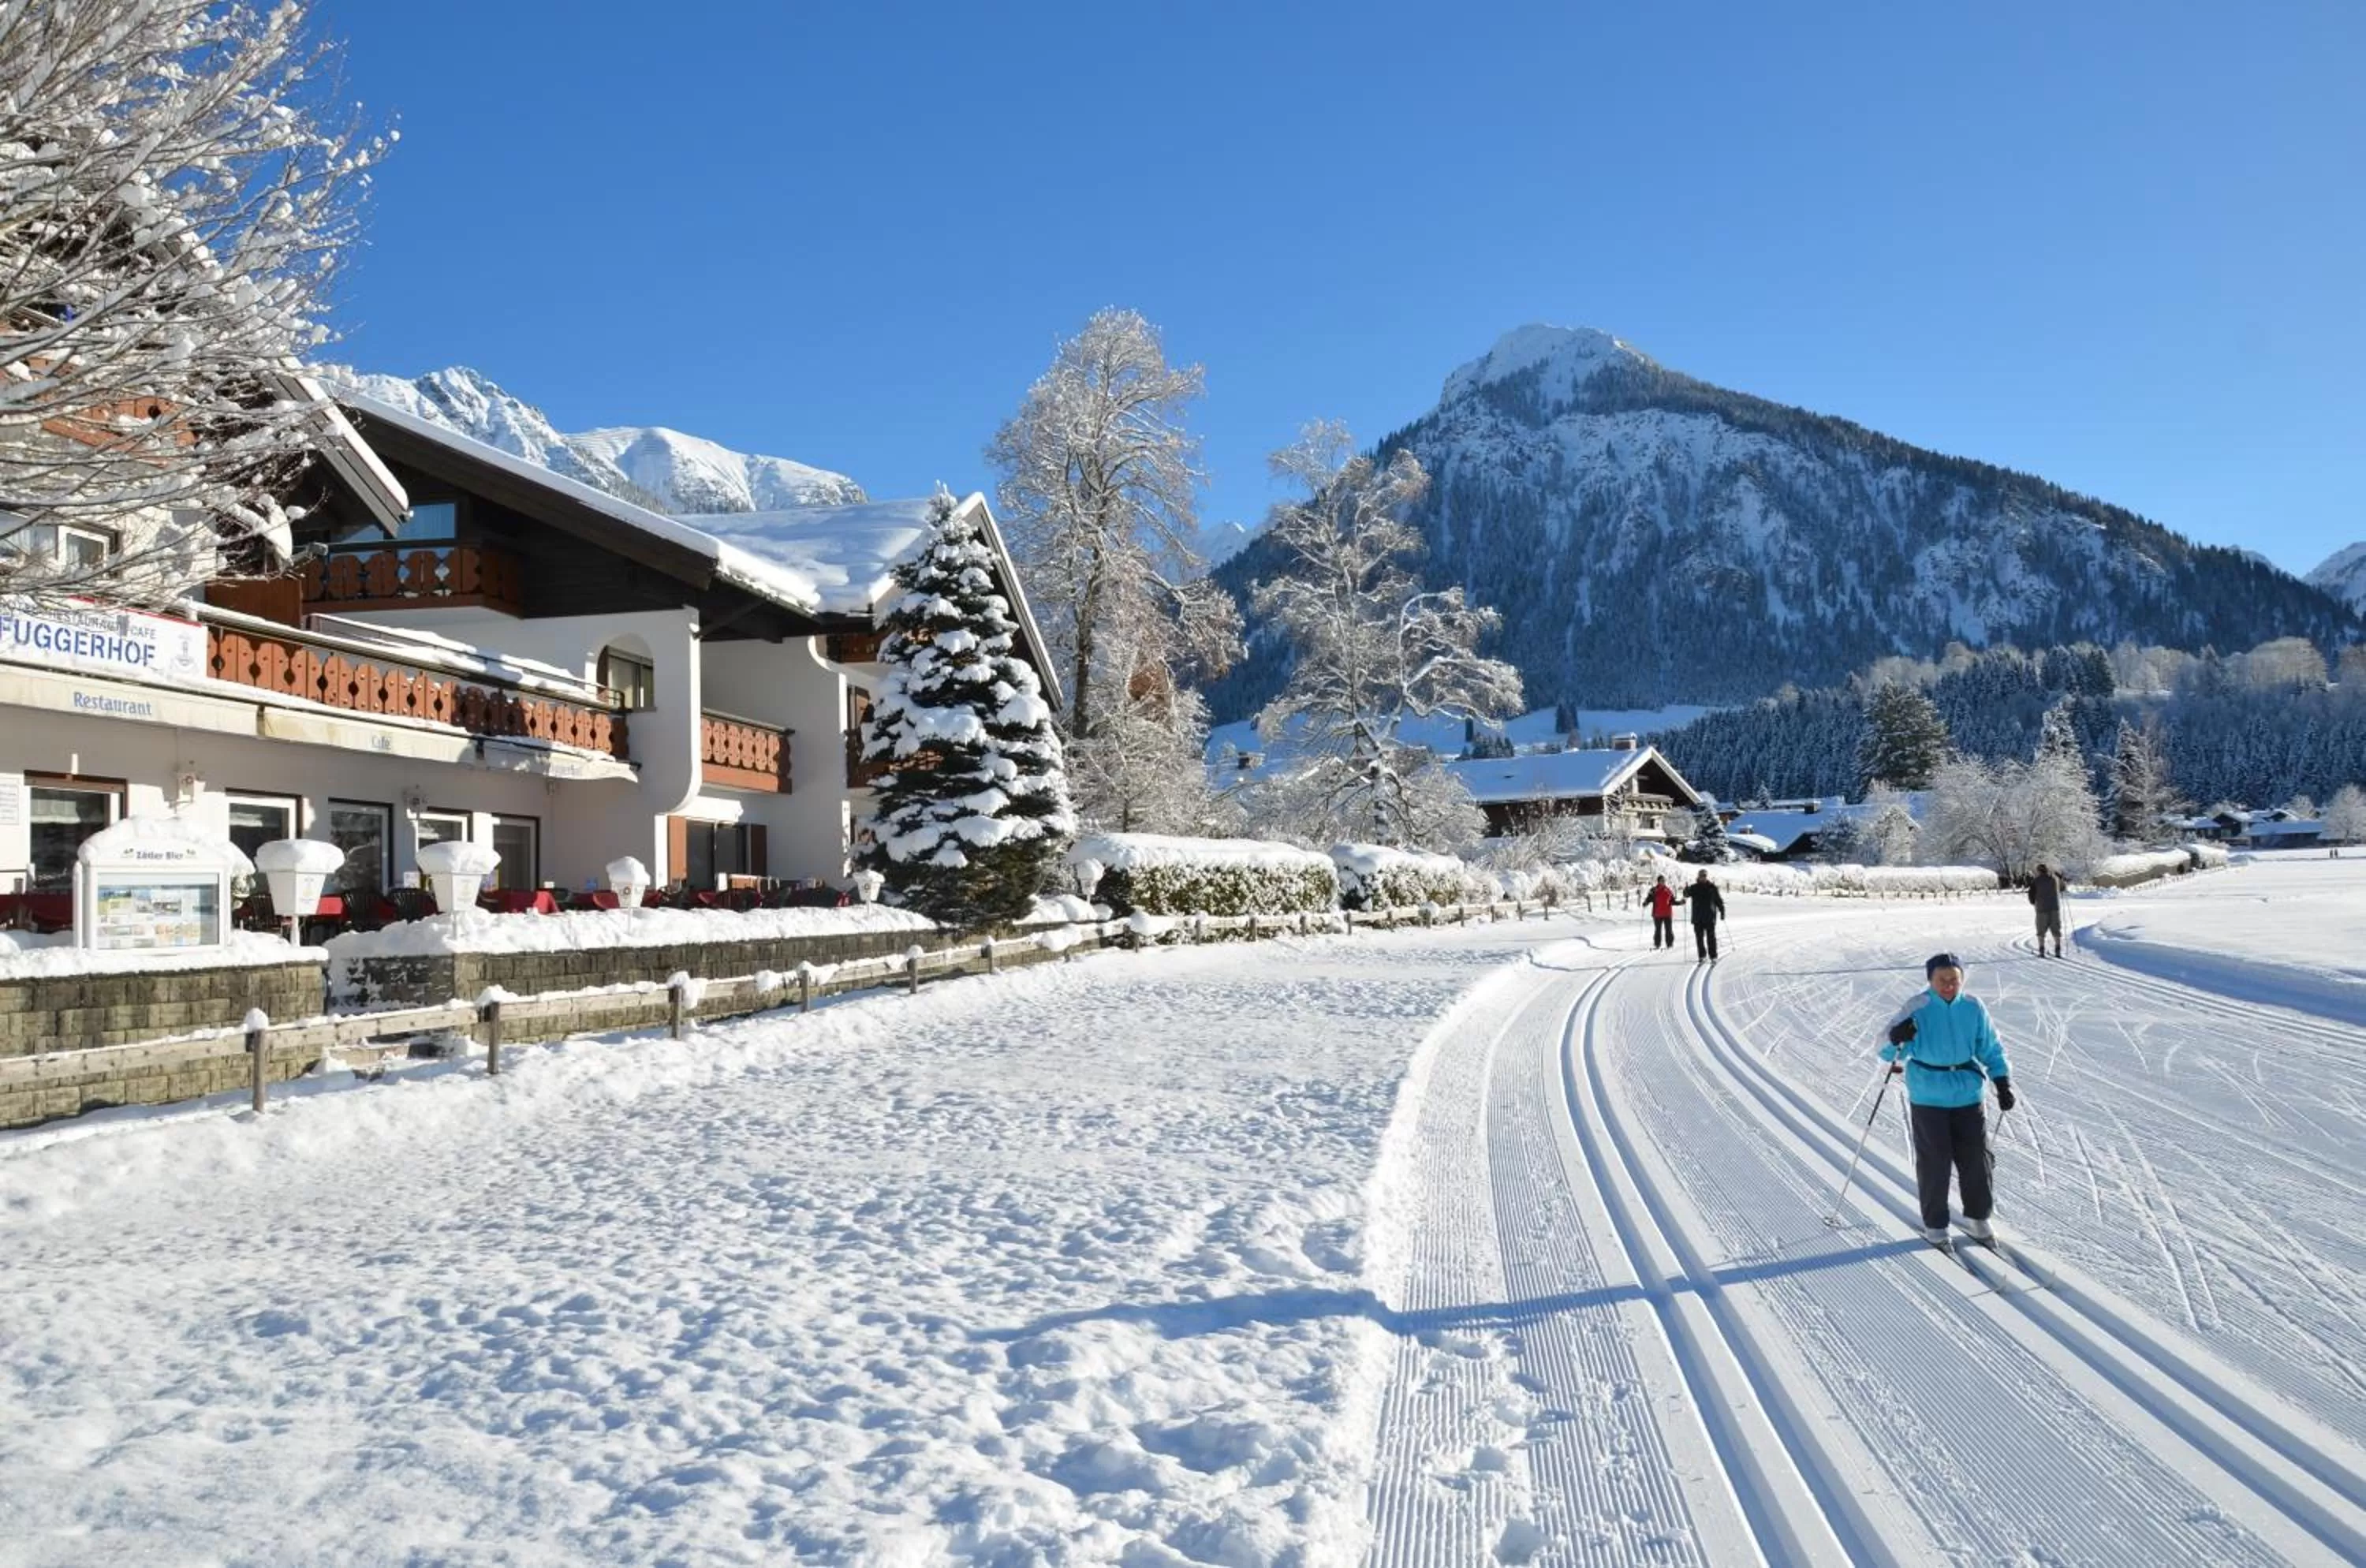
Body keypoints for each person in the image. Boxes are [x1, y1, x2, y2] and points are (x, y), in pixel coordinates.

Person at [1881, 952, 2015, 1245]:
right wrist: (1896, 1038)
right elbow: (1886, 1050)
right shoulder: (1918, 1006)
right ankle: (1936, 1225)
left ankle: (1978, 1218)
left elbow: (1990, 1047)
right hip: (1929, 1095)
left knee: (1977, 1159)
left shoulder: (1973, 1007)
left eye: (1954, 979)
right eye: (1942, 979)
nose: (1948, 985)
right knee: (1935, 1162)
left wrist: (2002, 1081)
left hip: (1968, 1093)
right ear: (1930, 979)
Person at [1678, 868, 1726, 961]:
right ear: (1698, 877)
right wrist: (1685, 890)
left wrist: (1722, 911)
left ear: (1706, 876)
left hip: (1710, 916)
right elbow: (1686, 895)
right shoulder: (1694, 887)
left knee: (1711, 938)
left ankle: (1713, 956)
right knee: (1699, 938)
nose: (1703, 877)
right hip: (1698, 917)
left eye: (1704, 876)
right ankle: (1702, 956)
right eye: (1701, 876)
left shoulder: (1712, 888)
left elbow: (1718, 901)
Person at [2027, 861, 2068, 958]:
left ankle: (2042, 950)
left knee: (2041, 930)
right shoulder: (2055, 879)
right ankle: (2058, 949)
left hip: (2041, 908)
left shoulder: (2036, 881)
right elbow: (2063, 888)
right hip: (2054, 907)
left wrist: (2034, 903)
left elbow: (2031, 895)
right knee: (2056, 929)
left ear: (2038, 871)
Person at [1646, 875, 1676, 950]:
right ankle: (1657, 944)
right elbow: (1649, 898)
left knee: (1669, 929)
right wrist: (1645, 902)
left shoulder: (1668, 890)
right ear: (1658, 881)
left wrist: (1680, 902)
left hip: (1667, 913)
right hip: (1657, 913)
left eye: (1664, 881)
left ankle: (1670, 944)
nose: (1663, 882)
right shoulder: (1654, 890)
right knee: (1658, 930)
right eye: (1662, 881)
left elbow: (1672, 901)